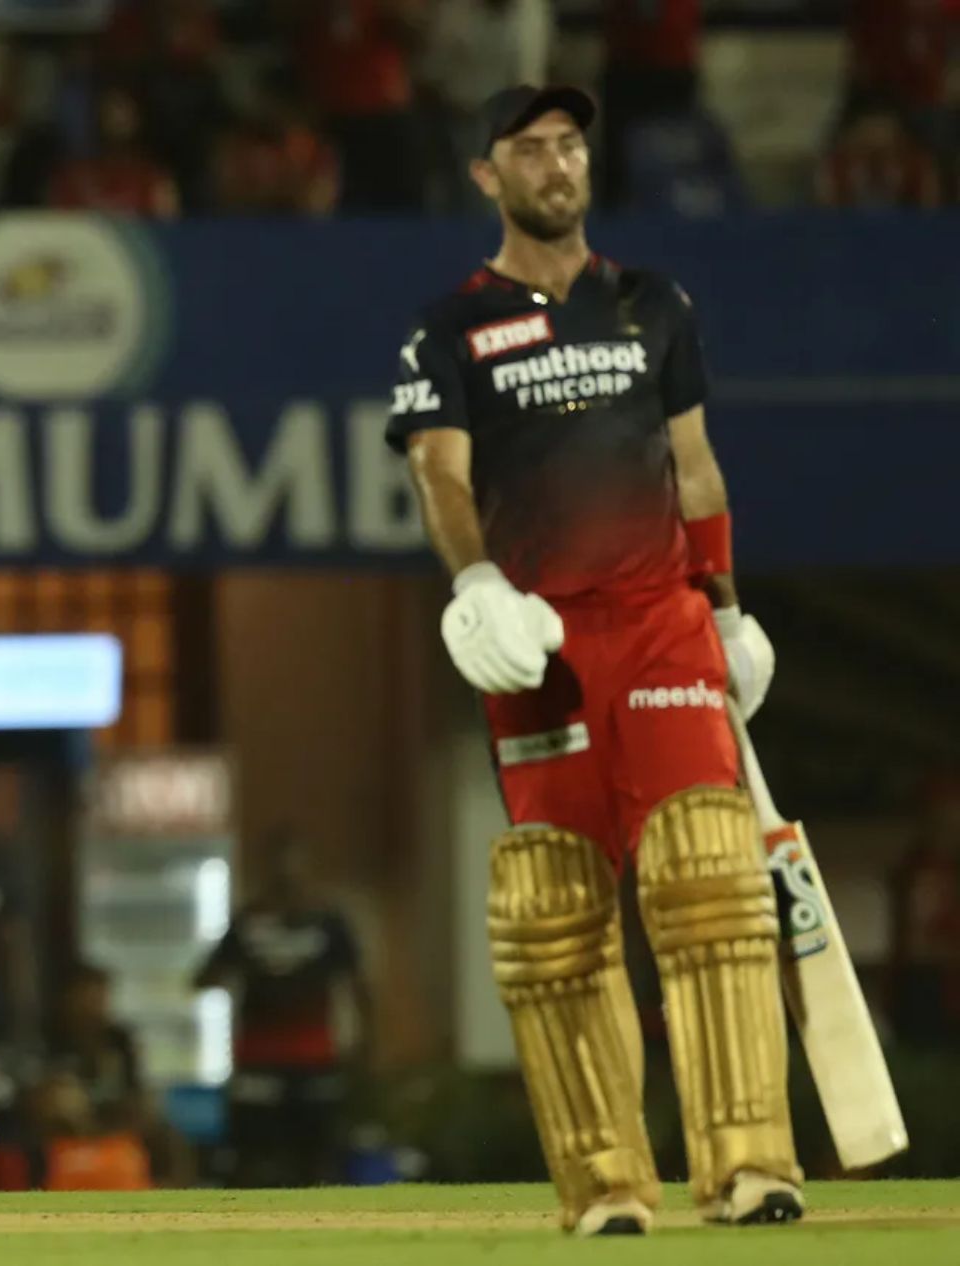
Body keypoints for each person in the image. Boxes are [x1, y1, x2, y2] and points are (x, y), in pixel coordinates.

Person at [386, 85, 800, 1235]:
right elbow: (439, 474)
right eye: (531, 150)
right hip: (545, 644)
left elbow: (697, 470)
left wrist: (723, 611)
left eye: (570, 146)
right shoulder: (452, 327)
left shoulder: (649, 304)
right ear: (488, 175)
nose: (557, 165)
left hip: (661, 624)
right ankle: (608, 1185)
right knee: (552, 918)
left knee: (712, 887)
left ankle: (749, 1167)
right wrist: (475, 584)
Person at [193, 835, 371, 1187]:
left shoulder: (327, 923)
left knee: (318, 1156)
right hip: (259, 1058)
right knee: (254, 1157)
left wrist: (364, 1045)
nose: (289, 876)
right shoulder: (249, 924)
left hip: (314, 1056)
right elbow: (204, 978)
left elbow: (358, 986)